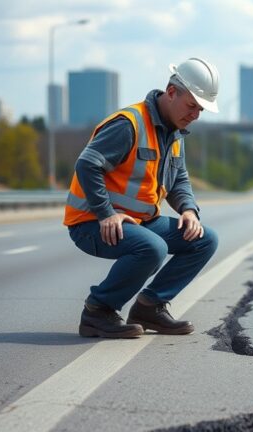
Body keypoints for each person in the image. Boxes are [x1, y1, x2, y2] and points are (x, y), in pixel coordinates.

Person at [64, 58, 220, 338]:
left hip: (139, 222)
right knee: (153, 248)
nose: (196, 114)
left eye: (201, 109)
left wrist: (188, 210)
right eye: (192, 105)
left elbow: (179, 179)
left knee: (204, 239)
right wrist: (106, 213)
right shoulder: (129, 124)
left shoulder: (174, 133)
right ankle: (97, 312)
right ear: (172, 92)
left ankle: (150, 306)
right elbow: (87, 164)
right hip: (92, 223)